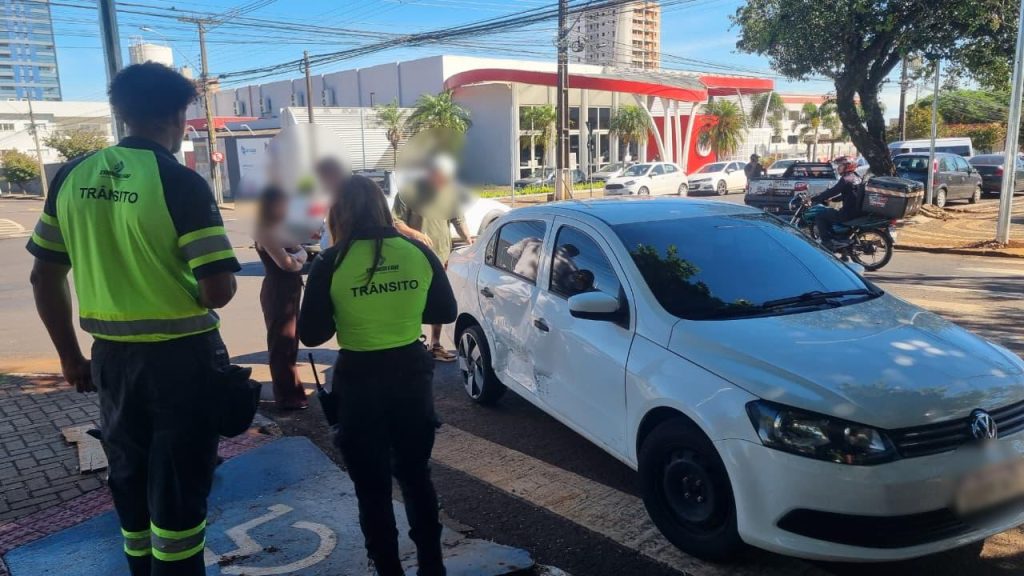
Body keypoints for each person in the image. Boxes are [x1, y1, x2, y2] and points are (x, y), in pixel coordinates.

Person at [27, 62, 240, 576]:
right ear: (178, 116)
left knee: (129, 477)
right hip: (182, 364)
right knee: (179, 490)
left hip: (111, 363)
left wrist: (70, 357)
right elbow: (219, 291)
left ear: (120, 113)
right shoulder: (180, 182)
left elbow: (44, 277)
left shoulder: (72, 177)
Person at [298, 174, 456, 576]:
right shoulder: (417, 250)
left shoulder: (331, 261)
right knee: (416, 475)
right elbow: (444, 311)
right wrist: (398, 304)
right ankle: (432, 565)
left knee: (371, 487)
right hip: (410, 372)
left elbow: (313, 333)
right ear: (383, 208)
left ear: (338, 213)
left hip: (359, 379)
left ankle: (387, 567)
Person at [391, 154, 471, 361]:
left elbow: (458, 220)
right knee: (414, 299)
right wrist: (416, 234)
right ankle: (413, 344)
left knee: (438, 300)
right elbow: (395, 222)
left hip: (442, 256)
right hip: (414, 256)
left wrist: (470, 242)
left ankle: (435, 344)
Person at [254, 186, 308, 410]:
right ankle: (286, 397)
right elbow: (286, 263)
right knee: (281, 343)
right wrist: (297, 259)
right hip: (278, 290)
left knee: (291, 341)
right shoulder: (265, 231)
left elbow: (301, 253)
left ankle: (293, 391)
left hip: (291, 287)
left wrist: (297, 258)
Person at [811, 156, 863, 250]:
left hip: (849, 213)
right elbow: (849, 194)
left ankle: (827, 242)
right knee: (830, 212)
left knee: (820, 215)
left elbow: (834, 190)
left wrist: (815, 198)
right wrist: (833, 200)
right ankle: (841, 246)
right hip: (857, 210)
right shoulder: (856, 176)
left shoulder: (846, 179)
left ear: (848, 166)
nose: (838, 168)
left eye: (840, 165)